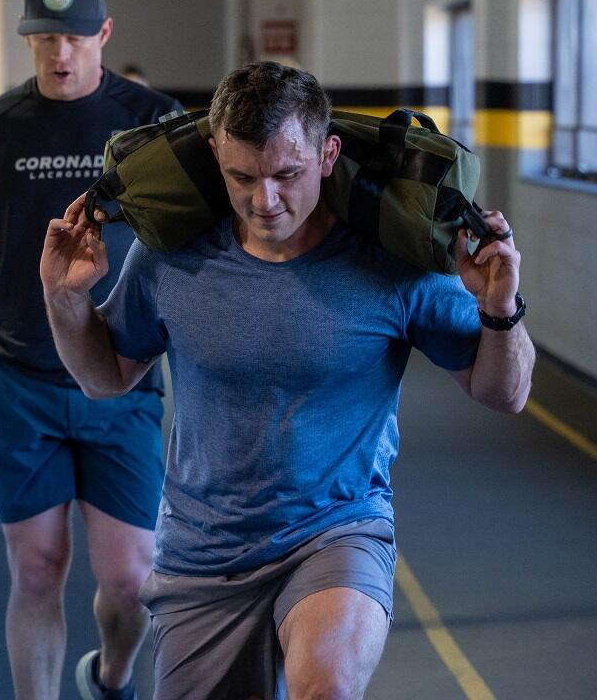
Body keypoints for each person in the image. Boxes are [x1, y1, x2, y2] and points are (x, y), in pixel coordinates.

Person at [40, 62, 534, 700]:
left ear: (327, 155)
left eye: (286, 175)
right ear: (216, 152)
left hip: (337, 530)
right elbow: (106, 377)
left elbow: (505, 392)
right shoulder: (170, 255)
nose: (264, 200)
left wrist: (500, 309)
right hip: (203, 550)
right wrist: (64, 299)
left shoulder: (395, 263)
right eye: (242, 176)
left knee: (322, 687)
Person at [0, 0, 182, 700]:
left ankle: (111, 676)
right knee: (36, 569)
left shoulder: (153, 123)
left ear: (103, 34)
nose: (59, 54)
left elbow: (198, 247)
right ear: (26, 40)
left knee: (131, 581)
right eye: (43, 39)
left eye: (72, 37)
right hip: (19, 383)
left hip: (120, 382)